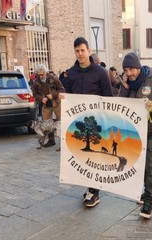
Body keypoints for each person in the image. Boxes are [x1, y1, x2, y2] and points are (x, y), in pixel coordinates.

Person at [59, 37, 113, 207]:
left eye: (83, 50)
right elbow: (68, 93)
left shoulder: (100, 72)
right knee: (82, 155)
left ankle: (94, 192)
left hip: (96, 122)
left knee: (94, 156)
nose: (80, 54)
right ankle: (89, 187)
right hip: (78, 122)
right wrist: (63, 97)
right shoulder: (71, 72)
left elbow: (108, 97)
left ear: (88, 51)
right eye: (77, 51)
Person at [119, 52, 152, 219]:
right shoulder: (127, 84)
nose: (129, 73)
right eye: (126, 70)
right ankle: (145, 192)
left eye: (132, 69)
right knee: (139, 166)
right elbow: (121, 104)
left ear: (139, 67)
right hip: (135, 132)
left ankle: (149, 201)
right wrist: (125, 90)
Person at [32, 64, 64, 147]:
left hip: (56, 103)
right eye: (39, 75)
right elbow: (34, 94)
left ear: (45, 72)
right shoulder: (36, 82)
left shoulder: (54, 78)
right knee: (46, 124)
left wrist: (53, 95)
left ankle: (64, 140)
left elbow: (62, 89)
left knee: (61, 121)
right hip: (46, 105)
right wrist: (41, 99)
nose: (41, 76)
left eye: (42, 74)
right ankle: (51, 140)